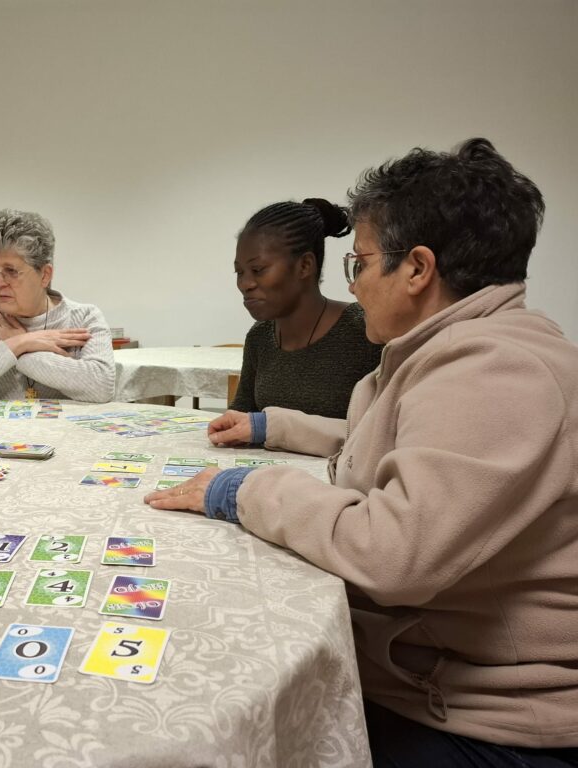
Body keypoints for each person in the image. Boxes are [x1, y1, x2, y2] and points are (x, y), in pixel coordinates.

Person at [145, 139, 578, 765]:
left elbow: (393, 553)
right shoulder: (456, 350)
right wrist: (273, 426)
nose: (355, 283)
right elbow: (382, 444)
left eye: (361, 263)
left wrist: (243, 489)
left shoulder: (494, 369)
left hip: (484, 720)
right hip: (430, 676)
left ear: (417, 268)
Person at [0, 209, 114, 403]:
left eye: (11, 270)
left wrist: (19, 347)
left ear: (45, 275)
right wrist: (17, 344)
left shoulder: (85, 318)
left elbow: (101, 386)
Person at [231, 198, 381, 419]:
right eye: (240, 272)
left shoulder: (366, 330)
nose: (246, 284)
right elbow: (242, 413)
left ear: (305, 266)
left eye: (258, 269)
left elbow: (381, 433)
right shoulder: (259, 337)